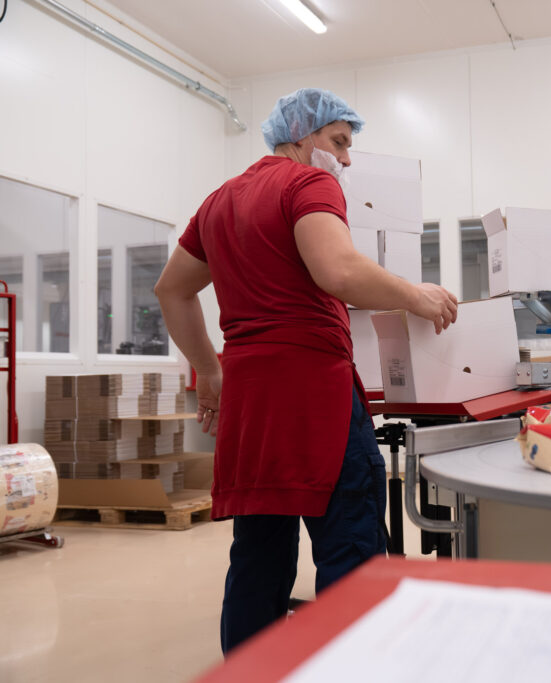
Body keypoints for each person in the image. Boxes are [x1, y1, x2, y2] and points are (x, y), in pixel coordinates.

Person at [154, 88, 458, 654]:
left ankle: (251, 671)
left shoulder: (219, 201)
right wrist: (416, 296)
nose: (345, 159)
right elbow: (338, 270)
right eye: (338, 142)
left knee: (259, 554)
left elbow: (171, 289)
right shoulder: (307, 184)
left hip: (250, 401)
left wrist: (209, 372)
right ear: (301, 134)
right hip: (313, 392)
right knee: (350, 546)